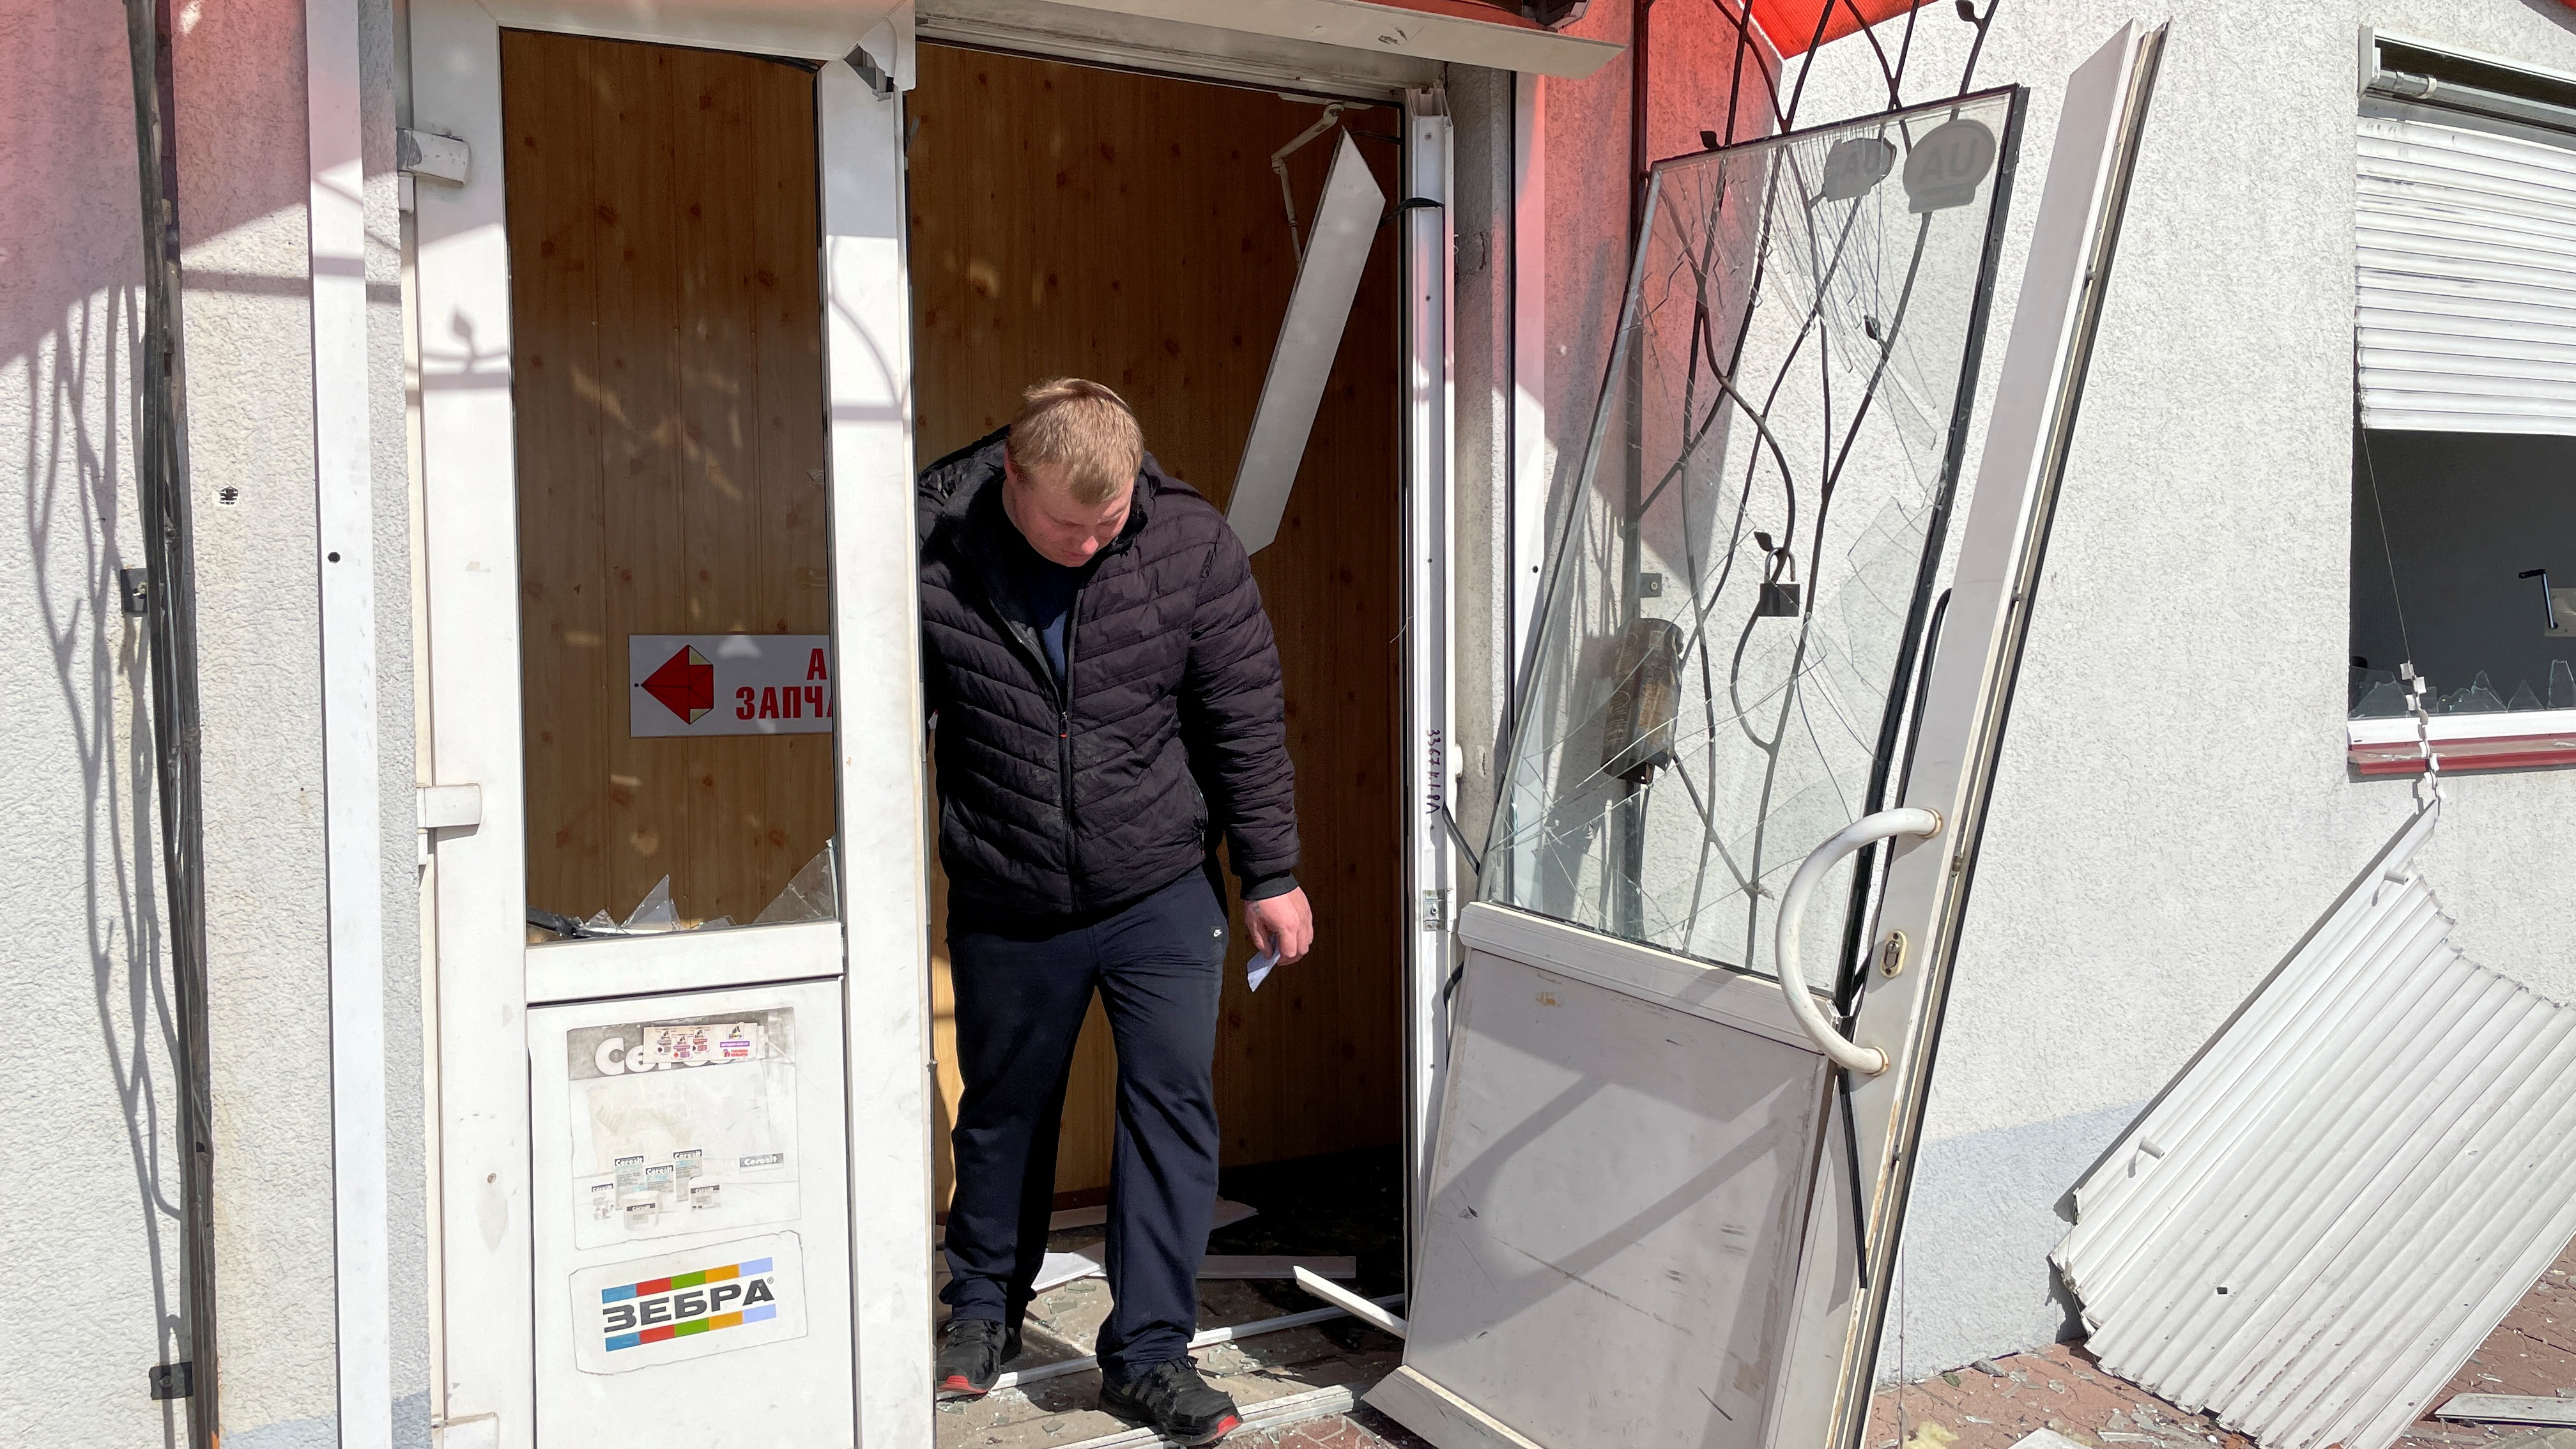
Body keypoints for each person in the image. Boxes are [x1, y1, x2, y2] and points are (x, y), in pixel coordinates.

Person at [916, 378, 1315, 1446]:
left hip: (1158, 889)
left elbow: (1242, 714)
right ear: (1013, 476)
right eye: (1067, 524)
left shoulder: (1188, 543)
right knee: (1004, 1111)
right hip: (1009, 892)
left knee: (1169, 1110)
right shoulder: (926, 545)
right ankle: (982, 1316)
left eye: (1110, 521)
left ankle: (1148, 1355)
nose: (1093, 542)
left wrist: (1271, 873)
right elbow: (881, 707)